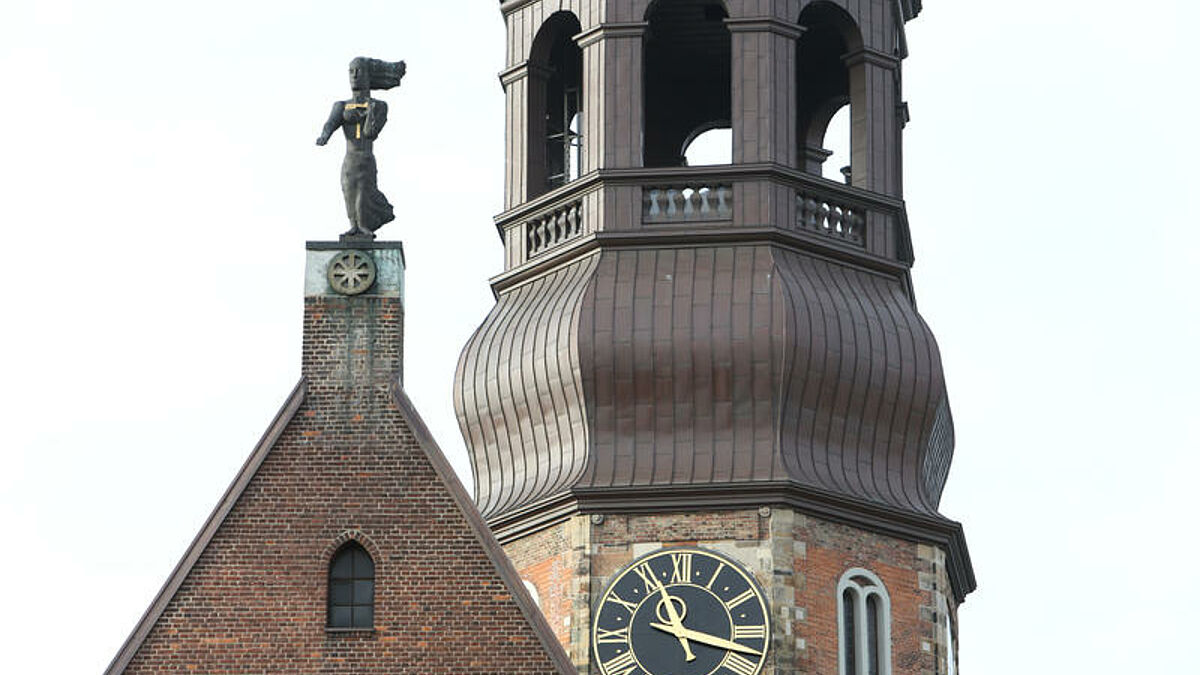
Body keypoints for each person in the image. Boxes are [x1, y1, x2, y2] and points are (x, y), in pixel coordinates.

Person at [317, 57, 406, 238]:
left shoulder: (378, 105)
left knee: (364, 191)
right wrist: (324, 136)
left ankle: (363, 225)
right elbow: (330, 124)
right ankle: (353, 225)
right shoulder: (341, 105)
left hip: (366, 158)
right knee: (349, 190)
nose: (355, 75)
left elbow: (370, 133)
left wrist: (369, 113)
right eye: (351, 71)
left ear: (368, 76)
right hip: (350, 160)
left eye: (359, 71)